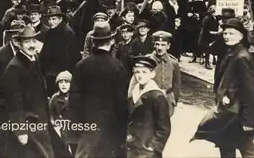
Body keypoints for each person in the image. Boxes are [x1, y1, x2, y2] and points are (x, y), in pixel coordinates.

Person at [193, 18, 254, 158]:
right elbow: (211, 49)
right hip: (229, 112)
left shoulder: (241, 57)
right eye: (225, 33)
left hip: (237, 113)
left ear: (241, 36)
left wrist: (248, 120)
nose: (227, 36)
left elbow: (250, 90)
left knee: (244, 149)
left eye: (231, 33)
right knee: (228, 147)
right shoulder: (230, 52)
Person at [69, 21, 128, 158]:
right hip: (110, 128)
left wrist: (76, 126)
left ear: (93, 42)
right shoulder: (117, 66)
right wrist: (121, 130)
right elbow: (121, 102)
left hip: (87, 127)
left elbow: (74, 99)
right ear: (111, 41)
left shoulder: (81, 65)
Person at [0, 26, 55, 158]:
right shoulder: (14, 67)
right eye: (27, 42)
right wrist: (21, 130)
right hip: (29, 126)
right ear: (19, 43)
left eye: (33, 41)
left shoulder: (34, 59)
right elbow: (13, 102)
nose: (32, 45)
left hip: (41, 123)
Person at [127, 56, 171, 158]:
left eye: (144, 72)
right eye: (137, 72)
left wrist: (154, 148)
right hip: (131, 148)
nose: (140, 76)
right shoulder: (133, 94)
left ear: (152, 74)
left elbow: (164, 129)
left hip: (147, 151)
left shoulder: (157, 97)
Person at [40, 6, 81, 96]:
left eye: (54, 19)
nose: (51, 22)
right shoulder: (50, 32)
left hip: (62, 75)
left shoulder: (67, 32)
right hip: (51, 73)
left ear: (60, 19)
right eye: (49, 19)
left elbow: (71, 57)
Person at [144, 31, 181, 117]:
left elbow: (176, 84)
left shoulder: (173, 62)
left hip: (167, 101)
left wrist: (174, 100)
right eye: (157, 44)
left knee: (164, 127)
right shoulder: (147, 60)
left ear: (168, 46)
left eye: (163, 45)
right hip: (150, 100)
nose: (159, 48)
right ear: (154, 45)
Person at [49, 71, 75, 156]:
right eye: (61, 82)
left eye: (66, 82)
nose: (63, 85)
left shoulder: (76, 97)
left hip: (75, 130)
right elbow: (50, 114)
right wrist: (54, 124)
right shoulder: (55, 98)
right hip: (61, 130)